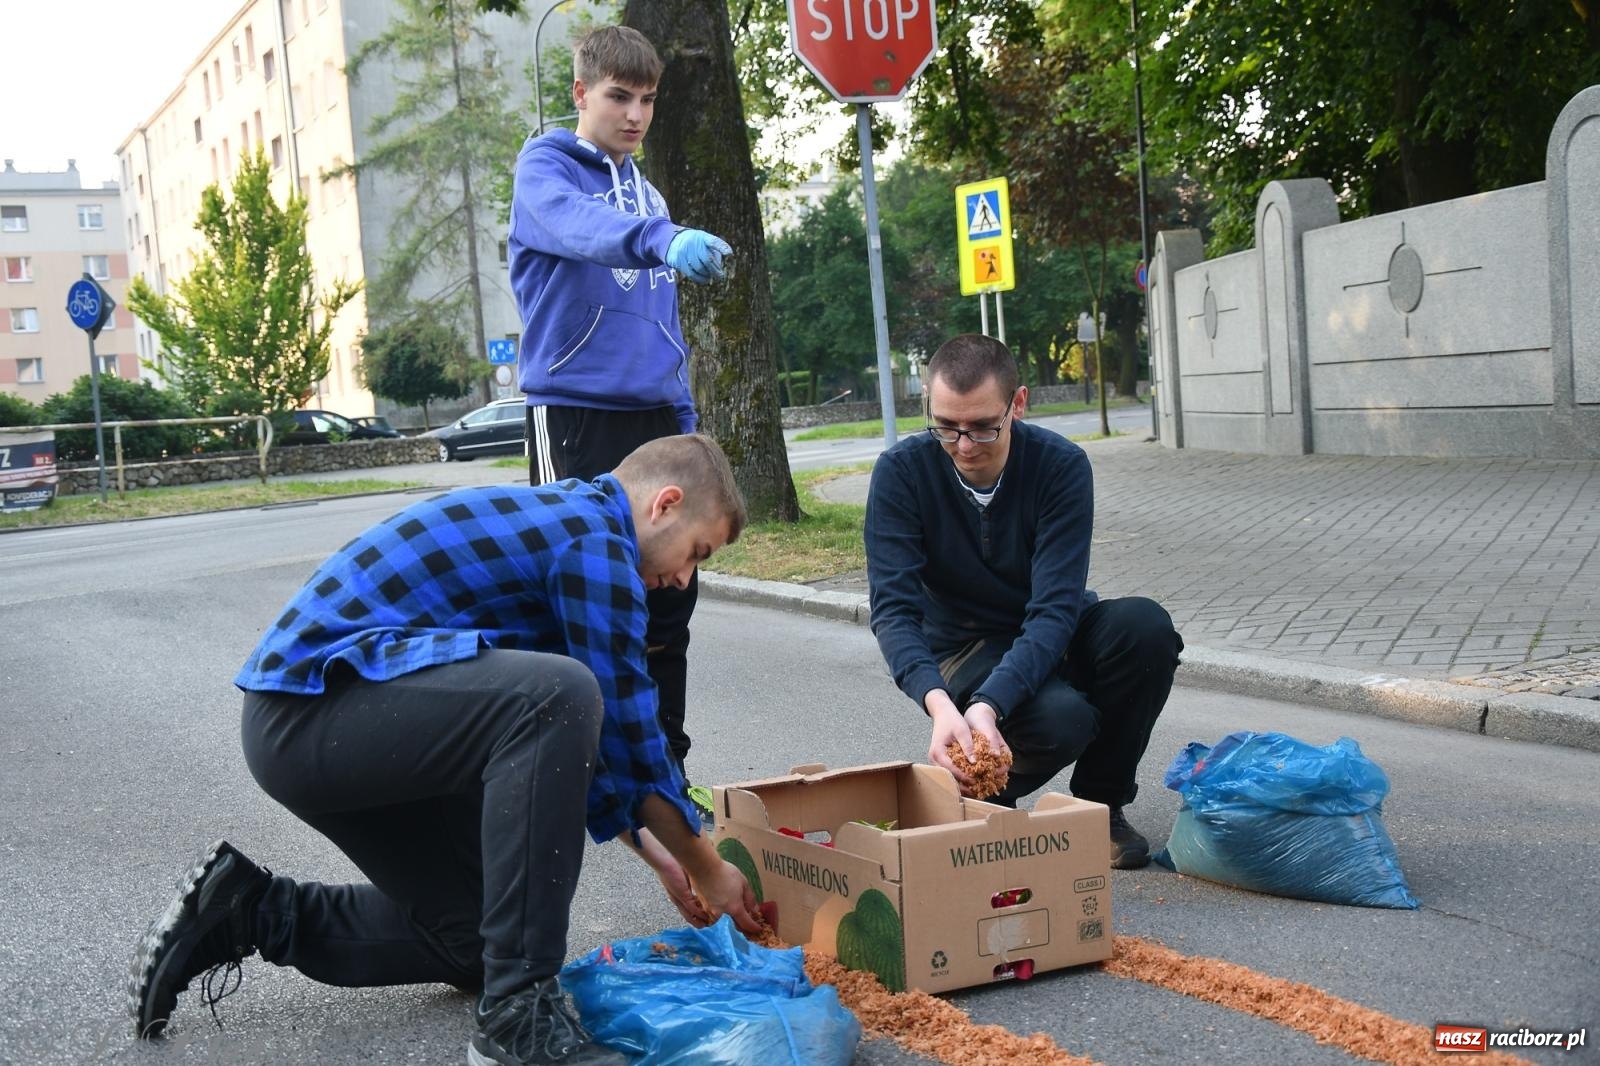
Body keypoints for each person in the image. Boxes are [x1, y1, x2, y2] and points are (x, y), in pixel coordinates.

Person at [127, 434, 762, 1066]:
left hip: (320, 721)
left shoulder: (570, 523)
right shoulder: (595, 542)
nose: (682, 579)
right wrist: (708, 867)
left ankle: (250, 912)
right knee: (559, 693)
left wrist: (658, 853)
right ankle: (517, 1021)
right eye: (696, 553)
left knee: (474, 939)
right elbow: (624, 723)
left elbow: (585, 750)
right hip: (310, 713)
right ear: (665, 504)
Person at [864, 334, 1183, 870]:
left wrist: (990, 706)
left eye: (983, 426)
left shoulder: (1060, 466)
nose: (964, 445)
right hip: (965, 644)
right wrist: (941, 706)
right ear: (927, 402)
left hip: (1048, 628)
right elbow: (894, 612)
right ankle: (973, 793)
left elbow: (1055, 609)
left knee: (1144, 628)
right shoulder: (901, 473)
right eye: (946, 426)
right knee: (1063, 719)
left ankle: (1097, 808)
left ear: (1018, 403)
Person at [507, 25, 729, 778]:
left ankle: (665, 769)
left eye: (648, 100)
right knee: (579, 599)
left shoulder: (651, 198)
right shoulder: (546, 169)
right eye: (618, 96)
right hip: (574, 412)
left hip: (656, 419)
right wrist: (658, 240)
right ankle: (571, 761)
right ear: (581, 93)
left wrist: (688, 427)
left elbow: (665, 326)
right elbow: (584, 229)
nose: (635, 114)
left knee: (670, 600)